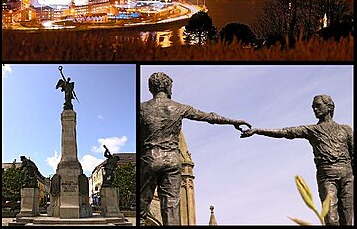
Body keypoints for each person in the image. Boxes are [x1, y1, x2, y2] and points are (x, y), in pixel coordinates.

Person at [140, 72, 251, 226]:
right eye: (171, 85)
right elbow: (210, 117)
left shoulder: (142, 108)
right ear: (166, 86)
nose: (172, 89)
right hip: (172, 161)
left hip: (149, 158)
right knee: (171, 208)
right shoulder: (179, 108)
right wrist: (233, 122)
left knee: (141, 206)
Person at [241, 94, 353, 226]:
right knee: (331, 219)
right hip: (327, 176)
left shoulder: (345, 129)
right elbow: (286, 132)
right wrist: (258, 130)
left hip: (347, 176)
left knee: (347, 219)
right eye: (313, 107)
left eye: (318, 106)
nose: (315, 109)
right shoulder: (312, 130)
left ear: (329, 107)